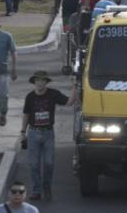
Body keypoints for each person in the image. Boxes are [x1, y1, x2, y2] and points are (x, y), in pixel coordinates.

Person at [21, 70, 76, 201]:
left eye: (42, 80)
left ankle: (47, 187)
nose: (40, 83)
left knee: (49, 163)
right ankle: (36, 190)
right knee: (34, 164)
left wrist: (75, 88)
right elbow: (26, 114)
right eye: (37, 80)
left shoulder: (53, 94)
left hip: (48, 133)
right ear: (34, 82)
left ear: (46, 82)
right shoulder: (30, 97)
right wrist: (23, 132)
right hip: (33, 132)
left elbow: (69, 102)